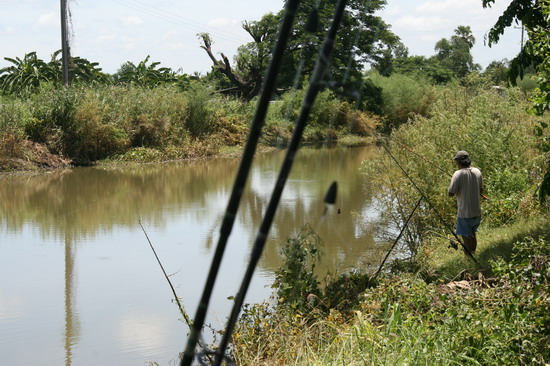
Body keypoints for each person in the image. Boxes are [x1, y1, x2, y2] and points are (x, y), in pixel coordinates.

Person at [448, 150, 483, 254]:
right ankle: (473, 255)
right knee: (472, 234)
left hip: (464, 212)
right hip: (476, 211)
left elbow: (451, 193)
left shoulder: (457, 174)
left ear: (459, 162)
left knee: (466, 236)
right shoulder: (477, 171)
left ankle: (469, 257)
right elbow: (481, 190)